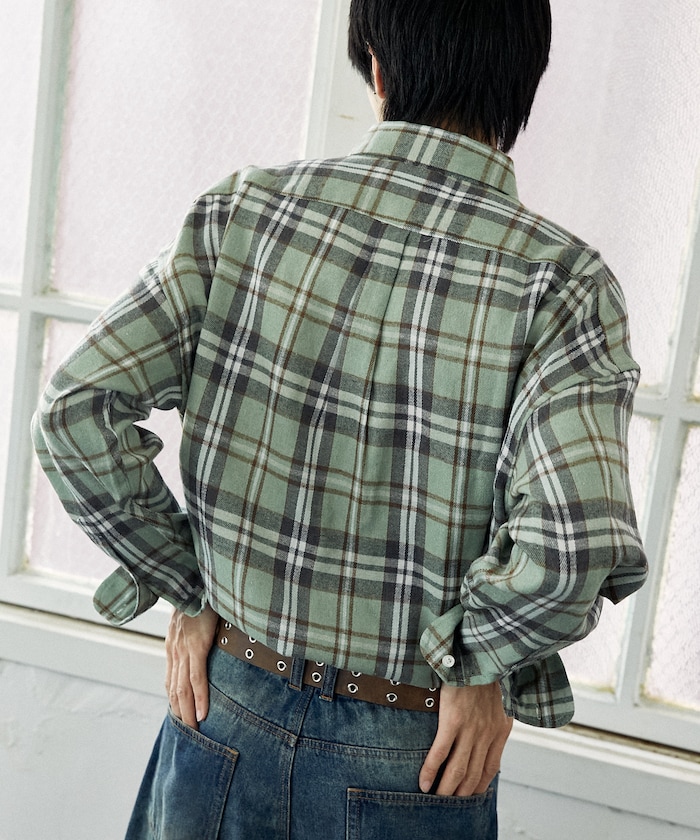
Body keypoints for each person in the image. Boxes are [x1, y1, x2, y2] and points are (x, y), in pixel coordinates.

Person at [32, 1, 648, 837]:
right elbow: (572, 542)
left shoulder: (244, 215)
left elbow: (75, 412)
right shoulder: (561, 284)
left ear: (377, 66)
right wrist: (477, 658)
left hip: (224, 700)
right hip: (416, 750)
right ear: (522, 80)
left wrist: (188, 582)